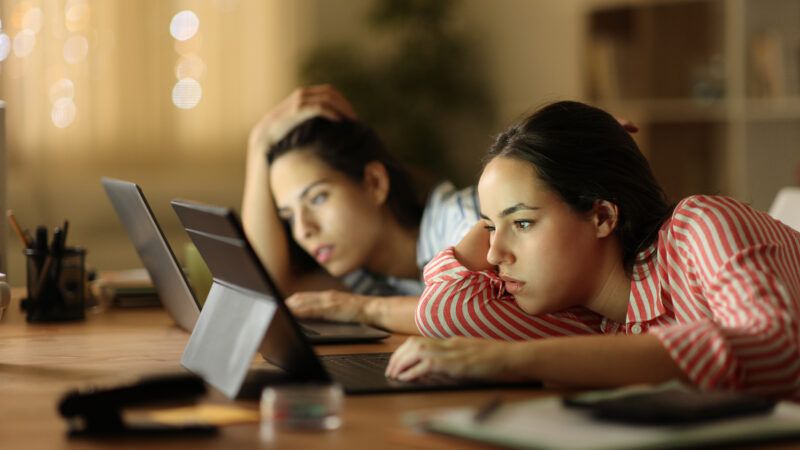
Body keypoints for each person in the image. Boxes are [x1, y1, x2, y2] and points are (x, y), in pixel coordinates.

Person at [385, 100, 800, 398]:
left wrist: (512, 360)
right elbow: (446, 311)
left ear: (602, 216)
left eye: (523, 222)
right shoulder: (591, 323)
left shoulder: (702, 224)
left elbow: (776, 350)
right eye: (491, 227)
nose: (494, 254)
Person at [242, 85, 480, 334]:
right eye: (289, 217)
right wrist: (258, 143)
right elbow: (267, 291)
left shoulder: (463, 221)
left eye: (318, 198)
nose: (303, 231)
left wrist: (365, 308)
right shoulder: (364, 274)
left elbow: (484, 310)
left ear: (374, 183)